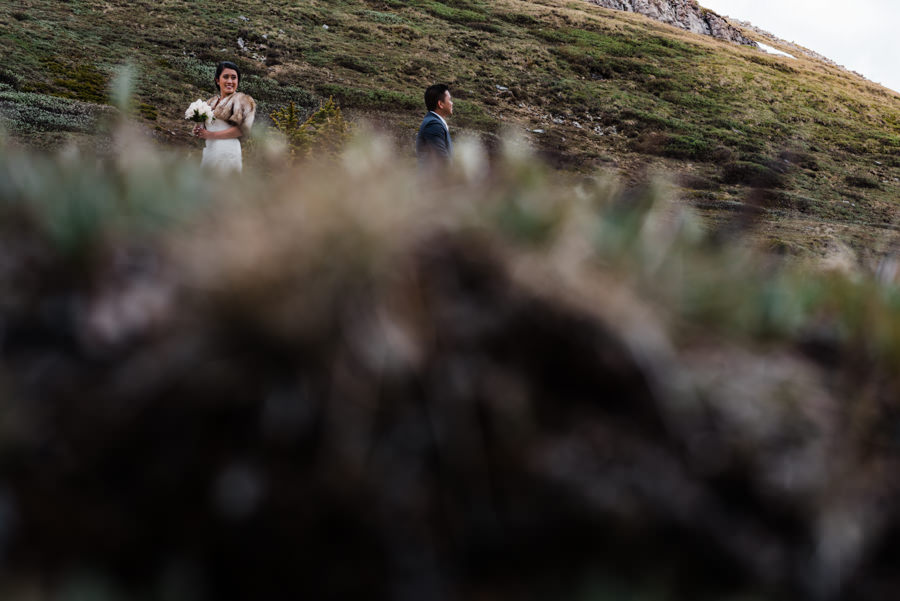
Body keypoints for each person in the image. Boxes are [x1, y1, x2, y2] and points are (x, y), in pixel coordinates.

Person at [193, 61, 256, 173]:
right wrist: (198, 130)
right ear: (217, 80)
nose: (230, 81)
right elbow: (206, 129)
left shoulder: (242, 100)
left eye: (234, 78)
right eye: (225, 77)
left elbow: (242, 129)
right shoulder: (210, 103)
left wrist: (212, 135)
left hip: (228, 151)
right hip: (209, 151)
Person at [415, 83, 453, 168]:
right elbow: (442, 160)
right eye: (449, 100)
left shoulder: (434, 122)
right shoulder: (433, 125)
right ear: (440, 104)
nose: (452, 103)